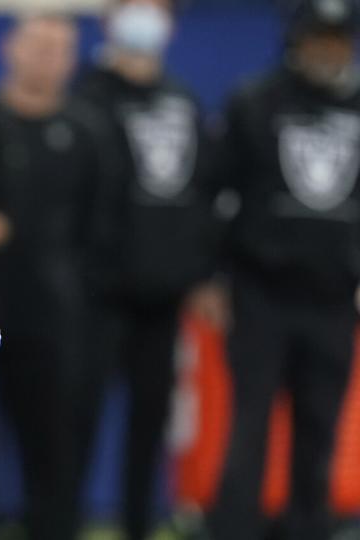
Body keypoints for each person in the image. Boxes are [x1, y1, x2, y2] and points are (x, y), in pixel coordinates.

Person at [208, 1, 360, 538]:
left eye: (338, 37)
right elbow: (218, 195)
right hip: (261, 293)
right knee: (250, 426)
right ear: (297, 40)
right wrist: (214, 278)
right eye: (318, 36)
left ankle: (309, 528)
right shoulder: (255, 101)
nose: (328, 48)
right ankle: (235, 530)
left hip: (335, 298)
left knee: (321, 427)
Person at [72, 0, 219, 538]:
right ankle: (65, 521)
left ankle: (140, 525)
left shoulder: (181, 100)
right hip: (98, 296)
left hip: (164, 295)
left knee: (151, 425)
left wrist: (202, 273)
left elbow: (204, 194)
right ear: (110, 22)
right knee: (78, 418)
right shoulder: (88, 96)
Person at [0, 14, 107, 539]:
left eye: (60, 48)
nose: (48, 57)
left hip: (52, 318)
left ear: (73, 58)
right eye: (39, 45)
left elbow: (101, 229)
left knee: (53, 450)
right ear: (9, 47)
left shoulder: (89, 131)